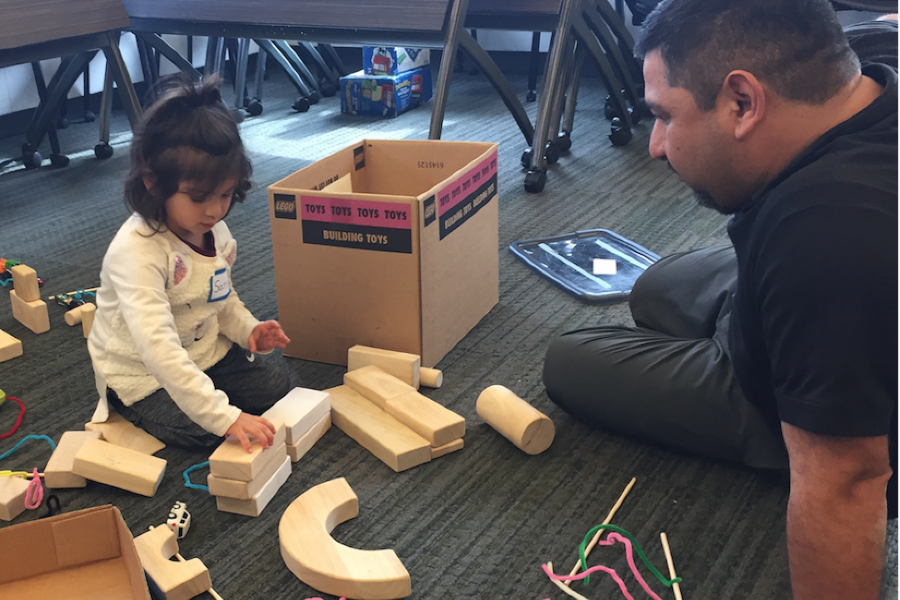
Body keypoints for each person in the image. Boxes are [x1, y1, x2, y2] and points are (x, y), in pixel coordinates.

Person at [542, 1, 898, 599]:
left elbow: (848, 483)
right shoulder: (866, 65)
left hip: (813, 389)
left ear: (742, 102)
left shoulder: (827, 240)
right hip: (814, 290)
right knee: (654, 284)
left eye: (664, 116)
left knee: (569, 357)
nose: (655, 145)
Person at [88, 75, 292, 453]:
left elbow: (219, 296)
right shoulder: (137, 252)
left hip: (204, 351)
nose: (215, 210)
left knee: (278, 392)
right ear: (152, 182)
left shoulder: (215, 231)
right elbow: (158, 350)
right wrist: (225, 418)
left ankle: (210, 396)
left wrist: (248, 330)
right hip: (144, 371)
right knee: (210, 434)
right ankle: (125, 405)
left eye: (226, 194)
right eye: (199, 197)